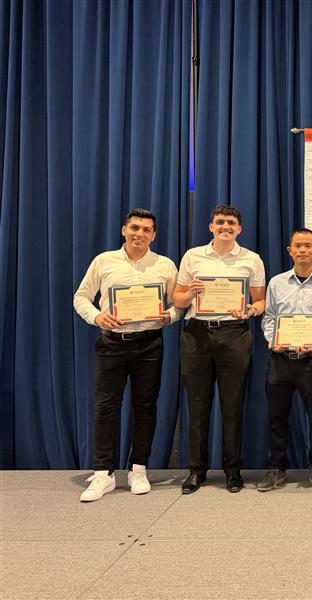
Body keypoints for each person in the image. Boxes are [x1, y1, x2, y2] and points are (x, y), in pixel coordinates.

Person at [73, 208, 180, 502]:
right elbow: (81, 297)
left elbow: (179, 303)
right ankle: (103, 473)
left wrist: (170, 316)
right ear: (124, 230)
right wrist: (97, 317)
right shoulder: (104, 261)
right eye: (134, 228)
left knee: (145, 407)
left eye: (146, 230)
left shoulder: (165, 265)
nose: (139, 234)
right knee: (106, 407)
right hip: (112, 343)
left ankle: (138, 468)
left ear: (153, 235)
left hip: (149, 344)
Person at [172, 205, 266, 494]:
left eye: (231, 223)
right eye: (220, 222)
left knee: (232, 404)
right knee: (197, 404)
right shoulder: (193, 256)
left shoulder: (251, 259)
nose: (226, 226)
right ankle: (196, 471)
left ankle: (232, 471)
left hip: (235, 333)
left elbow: (261, 302)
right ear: (211, 227)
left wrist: (251, 310)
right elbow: (177, 299)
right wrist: (190, 293)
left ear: (239, 229)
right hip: (197, 334)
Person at [259, 228, 312, 493]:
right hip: (280, 359)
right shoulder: (276, 283)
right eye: (298, 246)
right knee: (277, 416)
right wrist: (273, 339)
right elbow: (269, 317)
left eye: (308, 246)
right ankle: (276, 468)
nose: (303, 250)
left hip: (311, 361)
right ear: (289, 250)